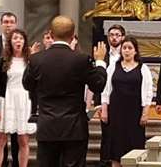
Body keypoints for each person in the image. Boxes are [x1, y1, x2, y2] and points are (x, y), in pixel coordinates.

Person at [22, 15, 107, 167]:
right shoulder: (81, 59)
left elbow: (27, 85)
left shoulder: (36, 59)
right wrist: (100, 61)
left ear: (51, 34)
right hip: (74, 127)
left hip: (47, 125)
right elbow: (98, 85)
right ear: (73, 35)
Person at [101, 37, 153, 166]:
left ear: (135, 51)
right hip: (116, 112)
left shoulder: (143, 68)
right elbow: (106, 90)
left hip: (135, 112)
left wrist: (145, 112)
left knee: (134, 146)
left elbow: (148, 93)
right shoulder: (113, 67)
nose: (127, 51)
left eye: (130, 48)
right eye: (124, 48)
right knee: (116, 148)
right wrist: (104, 110)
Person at [0, 29, 36, 167]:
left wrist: (35, 108)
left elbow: (35, 85)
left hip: (24, 101)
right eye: (15, 38)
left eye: (21, 38)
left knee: (23, 141)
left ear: (24, 42)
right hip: (6, 100)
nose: (18, 41)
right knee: (0, 141)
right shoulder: (3, 61)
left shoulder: (31, 61)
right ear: (10, 42)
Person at [0, 13, 21, 167]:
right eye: (6, 22)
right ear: (1, 24)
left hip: (18, 96)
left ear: (16, 24)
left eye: (12, 22)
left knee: (17, 137)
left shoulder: (22, 46)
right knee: (0, 137)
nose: (8, 25)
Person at [97, 24, 125, 166]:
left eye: (117, 35)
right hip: (104, 99)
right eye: (111, 35)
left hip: (122, 99)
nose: (114, 38)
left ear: (123, 37)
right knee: (106, 134)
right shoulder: (102, 55)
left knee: (120, 134)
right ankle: (105, 162)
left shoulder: (126, 54)